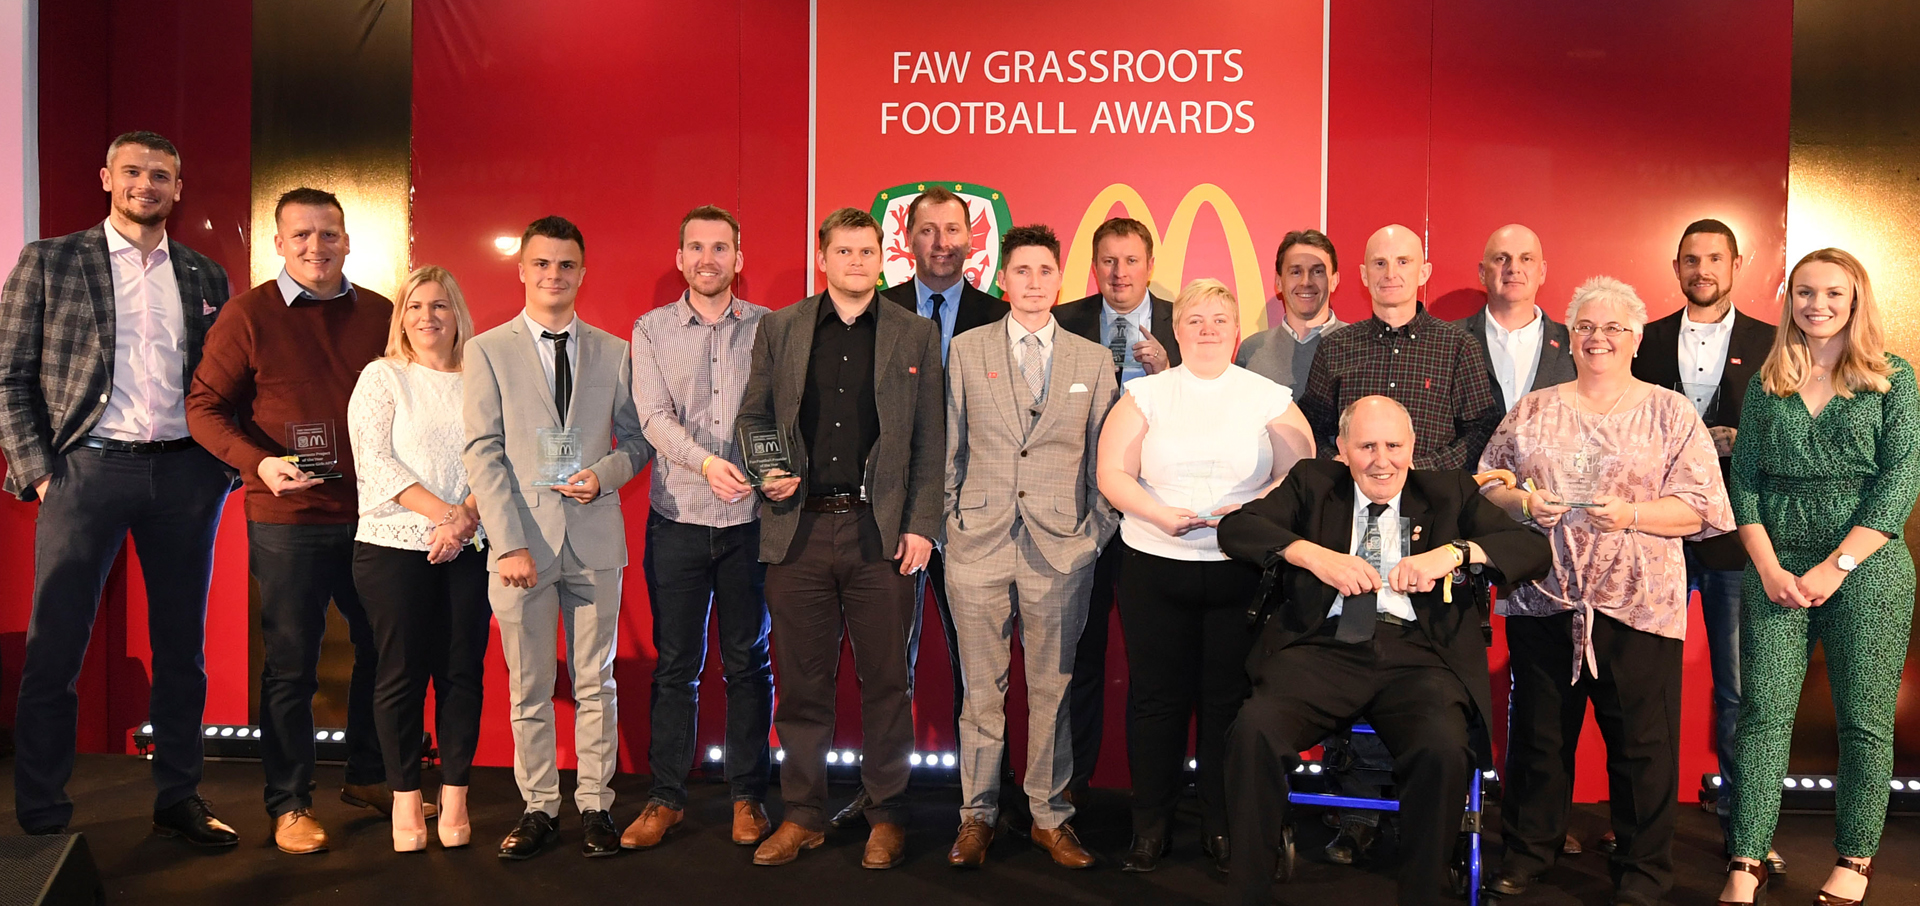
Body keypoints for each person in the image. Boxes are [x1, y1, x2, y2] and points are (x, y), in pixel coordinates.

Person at [1219, 396, 1551, 906]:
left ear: (1412, 449)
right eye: (1367, 446)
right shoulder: (1313, 483)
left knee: (1442, 749)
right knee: (1253, 731)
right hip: (1322, 650)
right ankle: (1248, 891)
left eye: (1394, 446)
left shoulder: (1449, 492)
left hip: (1419, 654)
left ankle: (1422, 892)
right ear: (1342, 451)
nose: (1382, 460)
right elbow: (1237, 528)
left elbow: (1532, 551)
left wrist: (1457, 551)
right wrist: (1313, 556)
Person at [2, 131, 238, 845]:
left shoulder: (204, 275)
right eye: (133, 171)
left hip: (183, 476)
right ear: (107, 176)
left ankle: (178, 796)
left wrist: (221, 470)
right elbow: (8, 375)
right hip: (85, 471)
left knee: (181, 651)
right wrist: (40, 471)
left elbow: (224, 382)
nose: (146, 184)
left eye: (161, 175)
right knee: (56, 648)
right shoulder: (50, 260)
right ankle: (41, 815)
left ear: (178, 187)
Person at [1477, 276, 1734, 906]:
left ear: (1637, 336)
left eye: (1615, 327)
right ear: (1571, 335)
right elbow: (1487, 482)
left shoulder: (1671, 413)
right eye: (1587, 326)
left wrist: (1636, 515)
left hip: (1639, 605)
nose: (1599, 338)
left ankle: (1643, 869)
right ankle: (1529, 852)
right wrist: (1525, 502)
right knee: (1540, 737)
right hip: (1547, 597)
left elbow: (1703, 509)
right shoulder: (1535, 407)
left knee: (1642, 747)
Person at [187, 187, 394, 854]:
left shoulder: (382, 314)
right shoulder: (248, 315)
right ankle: (289, 805)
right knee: (292, 667)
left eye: (328, 234)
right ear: (278, 243)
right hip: (287, 516)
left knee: (383, 652)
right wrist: (260, 464)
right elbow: (204, 408)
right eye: (301, 235)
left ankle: (368, 775)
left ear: (347, 240)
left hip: (375, 517)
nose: (316, 246)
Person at [737, 207, 944, 870]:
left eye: (866, 251)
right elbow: (755, 416)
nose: (856, 262)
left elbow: (930, 441)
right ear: (822, 256)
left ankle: (887, 815)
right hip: (797, 532)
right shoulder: (782, 327)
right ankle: (802, 815)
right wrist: (766, 468)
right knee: (801, 684)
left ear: (882, 258)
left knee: (888, 681)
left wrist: (921, 525)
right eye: (843, 251)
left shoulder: (914, 334)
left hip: (879, 534)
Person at [1717, 249, 1919, 906]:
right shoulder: (1769, 381)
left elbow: (1899, 483)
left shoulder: (1894, 379)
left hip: (1867, 569)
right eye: (1804, 292)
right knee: (1762, 717)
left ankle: (1854, 861)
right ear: (1789, 300)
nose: (1818, 304)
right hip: (1775, 568)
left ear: (1856, 299)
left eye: (1833, 292)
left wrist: (1836, 568)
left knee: (1864, 722)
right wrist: (1770, 566)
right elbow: (1743, 482)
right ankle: (1745, 860)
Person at [1094, 277, 1315, 873]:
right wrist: (1159, 513)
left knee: (1228, 704)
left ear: (1236, 328)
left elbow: (1301, 478)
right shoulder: (1146, 395)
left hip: (1241, 572)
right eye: (1195, 319)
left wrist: (1248, 513)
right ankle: (1150, 828)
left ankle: (1223, 825)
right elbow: (1111, 473)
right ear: (1177, 329)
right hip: (1153, 565)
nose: (1208, 329)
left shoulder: (1268, 396)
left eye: (1220, 318)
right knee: (1156, 702)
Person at [463, 216, 652, 860]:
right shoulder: (487, 350)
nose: (553, 275)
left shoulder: (615, 351)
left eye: (566, 265)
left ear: (582, 272)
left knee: (597, 681)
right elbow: (483, 453)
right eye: (541, 264)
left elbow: (638, 440)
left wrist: (603, 474)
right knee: (530, 686)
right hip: (522, 548)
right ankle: (539, 805)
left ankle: (596, 806)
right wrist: (507, 541)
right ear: (522, 270)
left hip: (595, 539)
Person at [942, 225, 1117, 870]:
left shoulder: (1093, 361)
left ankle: (1049, 816)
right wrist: (949, 526)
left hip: (1062, 550)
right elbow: (949, 447)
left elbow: (1107, 458)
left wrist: (1094, 535)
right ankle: (976, 817)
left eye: (1046, 271)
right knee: (981, 692)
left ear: (1058, 279)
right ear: (1004, 279)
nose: (1035, 282)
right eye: (1022, 271)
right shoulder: (965, 351)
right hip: (977, 546)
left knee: (1053, 687)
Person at [622, 205, 775, 851]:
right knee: (676, 667)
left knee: (749, 664)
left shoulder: (772, 329)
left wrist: (771, 471)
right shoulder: (651, 330)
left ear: (739, 259)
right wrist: (709, 464)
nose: (708, 258)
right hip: (678, 520)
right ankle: (666, 798)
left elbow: (783, 415)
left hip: (753, 525)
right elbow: (652, 418)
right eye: (696, 248)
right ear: (680, 258)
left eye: (720, 248)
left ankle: (748, 798)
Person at [1631, 218, 1778, 870]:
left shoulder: (1773, 345)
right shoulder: (1647, 341)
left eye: (1713, 258)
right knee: (1641, 688)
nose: (1702, 270)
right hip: (1657, 537)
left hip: (1734, 541)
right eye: (1691, 259)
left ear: (1736, 263)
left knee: (1739, 693)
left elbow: (1786, 438)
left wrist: (1741, 442)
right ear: (1676, 265)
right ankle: (1638, 828)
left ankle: (1747, 839)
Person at [863, 187, 1008, 828]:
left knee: (979, 670)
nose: (942, 242)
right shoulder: (875, 309)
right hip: (896, 516)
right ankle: (885, 803)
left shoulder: (1001, 314)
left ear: (973, 239)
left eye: (954, 230)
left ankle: (976, 805)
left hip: (980, 515)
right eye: (928, 231)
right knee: (890, 662)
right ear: (908, 240)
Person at [345, 265, 487, 853]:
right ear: (400, 318)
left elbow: (498, 457)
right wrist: (444, 516)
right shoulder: (382, 377)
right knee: (401, 674)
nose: (427, 316)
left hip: (470, 545)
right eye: (414, 306)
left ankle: (454, 793)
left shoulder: (483, 377)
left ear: (458, 314)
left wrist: (465, 518)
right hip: (393, 546)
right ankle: (405, 795)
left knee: (462, 673)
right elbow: (374, 460)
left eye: (440, 305)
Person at [1053, 216, 1181, 796]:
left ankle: (1153, 799)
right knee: (1078, 659)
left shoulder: (1186, 325)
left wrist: (1167, 376)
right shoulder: (1064, 322)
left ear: (1150, 266)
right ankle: (1070, 794)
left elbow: (1210, 426)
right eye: (1108, 260)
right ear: (1094, 266)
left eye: (1130, 260)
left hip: (1158, 518)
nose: (1119, 272)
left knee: (1158, 669)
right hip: (1077, 514)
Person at [1298, 224, 1501, 470]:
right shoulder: (1336, 347)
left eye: (1403, 262)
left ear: (1424, 272)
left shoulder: (1458, 347)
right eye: (1380, 263)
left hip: (1431, 500)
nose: (1390, 273)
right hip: (1351, 499)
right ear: (1364, 275)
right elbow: (1310, 425)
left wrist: (1422, 469)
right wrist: (1336, 462)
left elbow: (1481, 430)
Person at [1456, 224, 1574, 415]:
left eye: (1526, 259)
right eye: (1502, 258)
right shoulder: (1449, 340)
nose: (1514, 268)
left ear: (1542, 272)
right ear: (1482, 272)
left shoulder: (1574, 344)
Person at [1235, 228, 1348, 391]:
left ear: (1334, 281)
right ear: (1279, 282)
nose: (1306, 282)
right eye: (1296, 272)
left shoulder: (1359, 347)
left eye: (1317, 271)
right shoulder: (1251, 351)